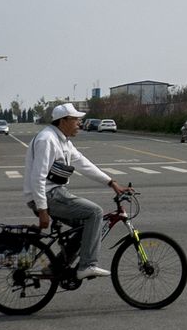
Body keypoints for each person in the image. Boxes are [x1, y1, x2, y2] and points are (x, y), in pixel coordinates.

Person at [24, 102, 127, 280]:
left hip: (54, 193)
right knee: (95, 213)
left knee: (87, 226)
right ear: (63, 121)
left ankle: (54, 267)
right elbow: (37, 177)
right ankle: (87, 265)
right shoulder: (47, 140)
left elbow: (84, 164)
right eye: (75, 120)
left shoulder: (62, 141)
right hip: (48, 195)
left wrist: (111, 182)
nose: (79, 123)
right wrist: (42, 210)